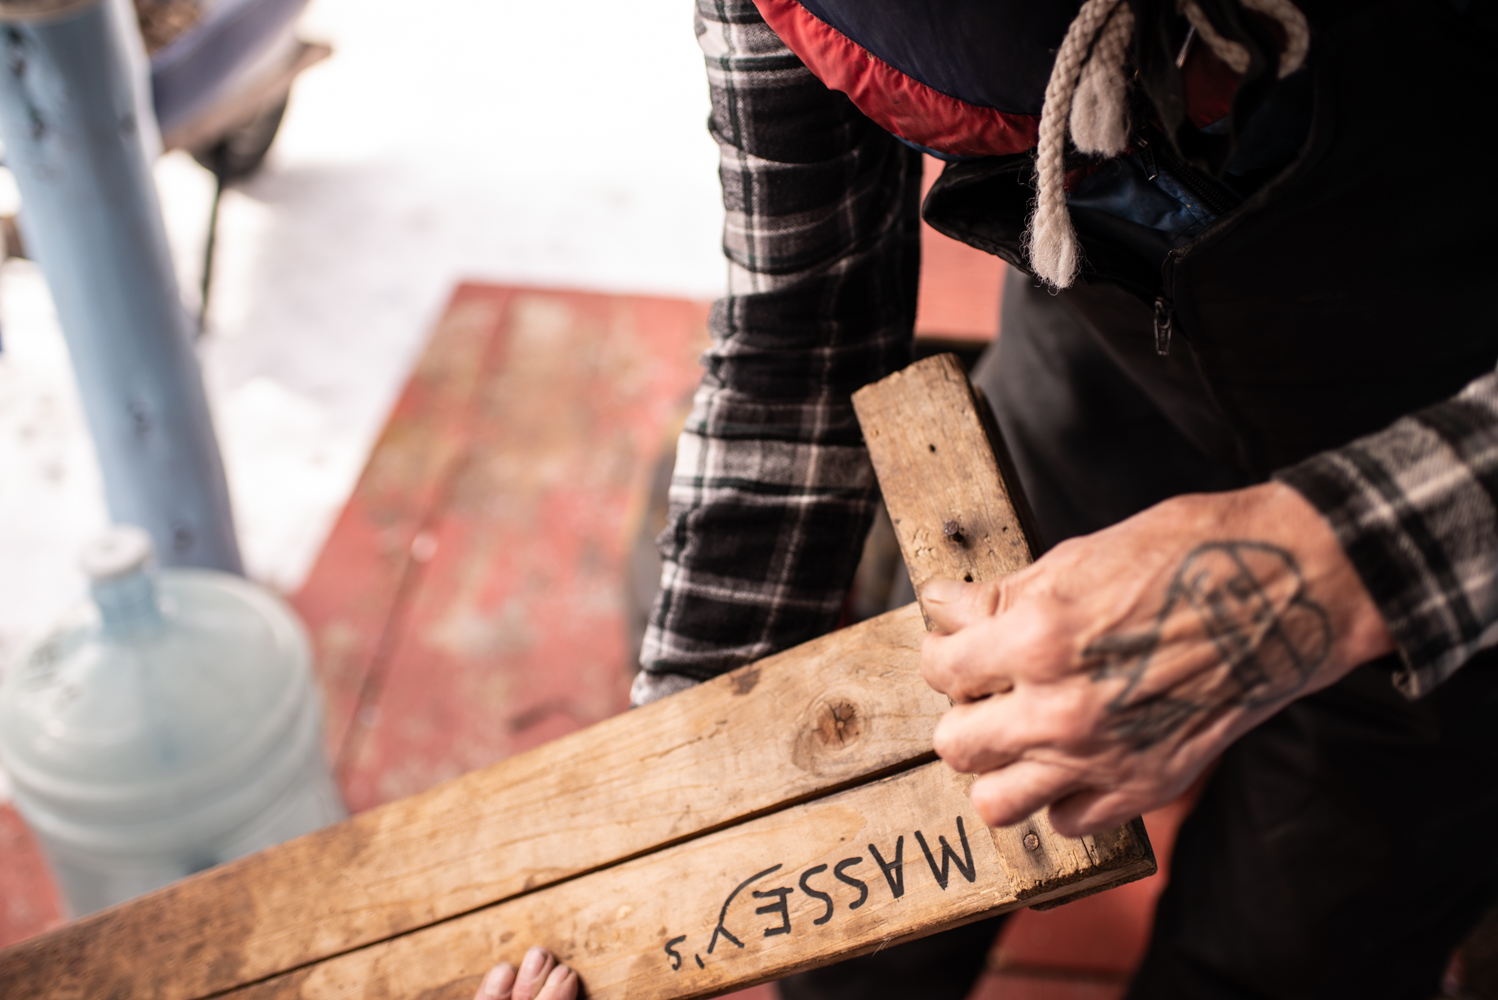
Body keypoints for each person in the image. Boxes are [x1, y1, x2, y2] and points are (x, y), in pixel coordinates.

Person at [481, 1, 1498, 996]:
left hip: (1454, 448)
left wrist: (1332, 566)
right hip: (1114, 360)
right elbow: (803, 329)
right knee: (889, 862)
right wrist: (678, 801)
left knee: (1295, 929)